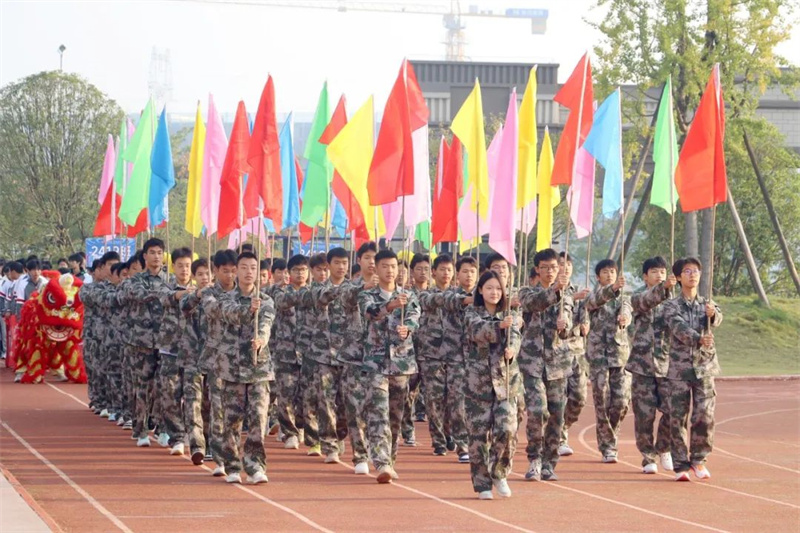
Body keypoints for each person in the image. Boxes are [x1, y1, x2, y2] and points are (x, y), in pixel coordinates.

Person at [203, 251, 275, 485]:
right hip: (231, 368)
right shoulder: (225, 299)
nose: (249, 272)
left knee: (258, 419)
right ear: (237, 271)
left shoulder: (265, 300)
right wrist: (248, 311)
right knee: (231, 420)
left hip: (258, 368)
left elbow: (266, 323)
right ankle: (232, 465)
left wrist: (261, 340)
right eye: (244, 267)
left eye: (253, 268)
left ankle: (255, 466)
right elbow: (229, 314)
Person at [359, 248, 420, 483]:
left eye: (393, 266)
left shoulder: (408, 295)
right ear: (377, 268)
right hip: (375, 363)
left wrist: (408, 328)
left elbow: (414, 317)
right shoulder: (368, 295)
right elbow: (370, 313)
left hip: (401, 363)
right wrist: (391, 306)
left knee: (396, 416)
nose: (390, 270)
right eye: (385, 266)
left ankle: (390, 458)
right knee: (378, 413)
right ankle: (381, 461)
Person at [464, 271, 522, 500]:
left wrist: (512, 349)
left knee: (507, 429)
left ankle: (499, 471)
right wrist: (499, 326)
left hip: (505, 381)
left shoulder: (510, 313)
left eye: (498, 288)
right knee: (478, 437)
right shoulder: (471, 312)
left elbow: (516, 336)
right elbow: (476, 330)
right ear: (480, 290)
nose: (494, 292)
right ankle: (482, 485)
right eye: (489, 288)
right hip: (477, 383)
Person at [664, 257, 722, 482]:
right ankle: (680, 464)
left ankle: (699, 459)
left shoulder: (707, 303)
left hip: (704, 366)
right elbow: (678, 327)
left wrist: (712, 314)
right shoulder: (671, 305)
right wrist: (699, 338)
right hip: (680, 368)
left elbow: (718, 319)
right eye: (687, 271)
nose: (692, 275)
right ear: (679, 277)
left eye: (696, 271)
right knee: (677, 417)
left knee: (704, 415)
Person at [518, 249, 572, 482]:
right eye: (545, 267)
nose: (550, 271)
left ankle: (550, 463)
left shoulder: (567, 296)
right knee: (537, 411)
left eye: (554, 267)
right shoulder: (526, 292)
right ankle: (535, 458)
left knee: (556, 415)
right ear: (537, 269)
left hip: (557, 364)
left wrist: (564, 326)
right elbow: (535, 303)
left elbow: (569, 327)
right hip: (531, 363)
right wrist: (555, 290)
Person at [185, 250, 238, 475]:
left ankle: (226, 453)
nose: (230, 275)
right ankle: (218, 457)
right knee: (214, 407)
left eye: (233, 271)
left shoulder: (245, 293)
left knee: (230, 411)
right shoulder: (208, 293)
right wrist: (196, 294)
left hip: (238, 361)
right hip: (212, 359)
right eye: (225, 271)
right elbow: (186, 306)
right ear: (216, 271)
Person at [626, 256, 677, 474]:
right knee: (644, 415)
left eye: (662, 272)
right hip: (642, 365)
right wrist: (663, 289)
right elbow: (646, 301)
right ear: (645, 276)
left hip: (668, 364)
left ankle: (664, 447)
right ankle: (648, 457)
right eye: (654, 272)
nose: (659, 275)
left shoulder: (675, 300)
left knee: (673, 409)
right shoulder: (637, 297)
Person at [116, 239, 168, 448]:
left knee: (164, 387)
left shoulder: (170, 280)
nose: (156, 256)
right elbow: (139, 295)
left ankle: (163, 428)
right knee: (142, 387)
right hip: (140, 342)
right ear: (145, 256)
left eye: (160, 252)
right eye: (152, 252)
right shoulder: (134, 281)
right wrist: (169, 294)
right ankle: (141, 429)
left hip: (165, 342)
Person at [334, 241, 378, 475]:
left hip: (379, 357)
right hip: (353, 356)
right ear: (359, 260)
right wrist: (364, 287)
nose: (372, 262)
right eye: (367, 257)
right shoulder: (349, 286)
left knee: (377, 407)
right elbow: (346, 299)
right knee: (353, 406)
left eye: (375, 258)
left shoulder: (389, 289)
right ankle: (360, 453)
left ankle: (377, 449)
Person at [584, 259, 631, 463]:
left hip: (619, 356)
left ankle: (612, 433)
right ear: (598, 277)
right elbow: (592, 303)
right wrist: (612, 289)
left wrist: (625, 318)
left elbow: (628, 311)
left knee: (621, 402)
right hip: (598, 357)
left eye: (613, 271)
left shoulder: (624, 298)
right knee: (602, 402)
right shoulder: (593, 296)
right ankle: (608, 446)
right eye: (605, 272)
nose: (610, 274)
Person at [306, 248, 351, 463]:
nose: (341, 267)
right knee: (325, 400)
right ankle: (329, 444)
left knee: (345, 403)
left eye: (344, 263)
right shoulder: (317, 288)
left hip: (348, 355)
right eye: (337, 263)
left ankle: (340, 434)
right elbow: (323, 297)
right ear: (329, 265)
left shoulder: (355, 289)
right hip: (322, 354)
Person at [417, 254, 457, 456]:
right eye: (442, 269)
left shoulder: (460, 295)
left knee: (453, 400)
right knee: (433, 400)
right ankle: (438, 440)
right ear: (433, 272)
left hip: (455, 355)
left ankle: (449, 432)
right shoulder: (425, 294)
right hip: (431, 355)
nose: (446, 273)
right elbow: (431, 301)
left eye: (449, 269)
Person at [156, 247, 194, 455]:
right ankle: (176, 436)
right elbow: (166, 298)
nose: (184, 270)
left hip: (193, 351)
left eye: (187, 266)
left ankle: (191, 433)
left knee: (192, 395)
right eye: (180, 266)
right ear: (173, 267)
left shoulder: (200, 288)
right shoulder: (165, 285)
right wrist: (184, 294)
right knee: (170, 393)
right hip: (170, 348)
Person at [272, 254, 310, 450]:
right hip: (285, 353)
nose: (300, 274)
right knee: (285, 395)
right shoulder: (281, 292)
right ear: (289, 272)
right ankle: (290, 432)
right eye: (296, 270)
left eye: (303, 270)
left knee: (306, 395)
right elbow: (280, 302)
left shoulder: (314, 293)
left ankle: (301, 425)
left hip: (308, 352)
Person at [558, 252, 591, 456]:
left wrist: (586, 323)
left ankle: (562, 425)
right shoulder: (550, 291)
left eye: (568, 264)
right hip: (555, 352)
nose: (566, 267)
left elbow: (585, 312)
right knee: (558, 397)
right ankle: (559, 437)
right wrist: (570, 298)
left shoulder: (579, 291)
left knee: (579, 396)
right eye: (561, 264)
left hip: (576, 351)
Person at [179, 257, 212, 465]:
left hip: (214, 360)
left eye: (208, 273)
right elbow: (184, 306)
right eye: (200, 274)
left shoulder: (221, 298)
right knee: (192, 403)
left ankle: (209, 442)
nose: (204, 278)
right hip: (191, 359)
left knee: (210, 405)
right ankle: (197, 445)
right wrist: (199, 295)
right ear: (194, 277)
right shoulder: (189, 297)